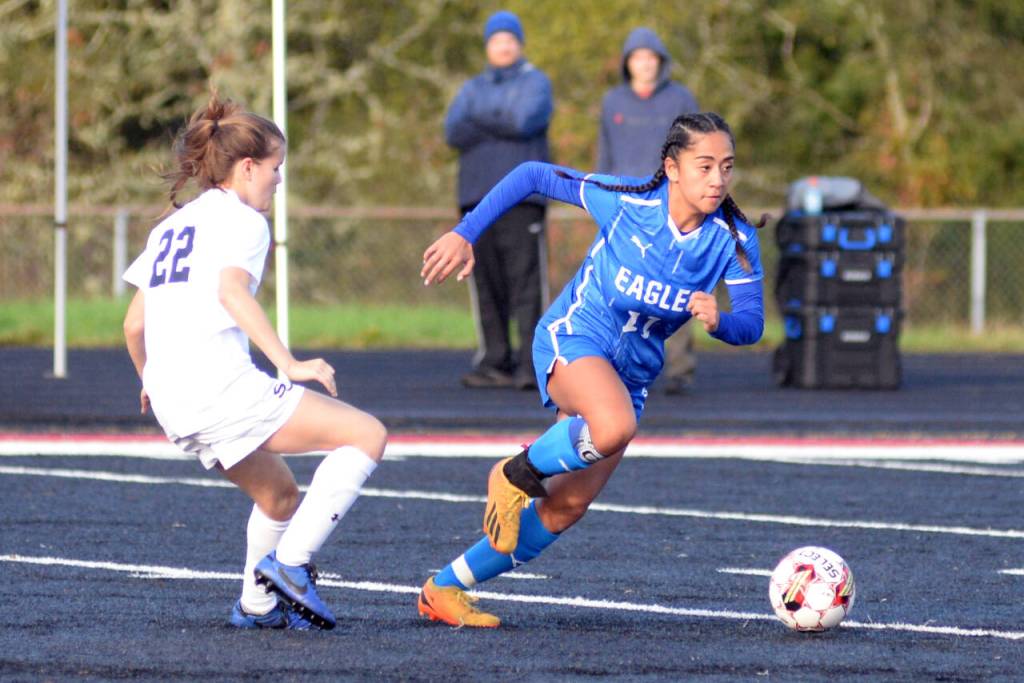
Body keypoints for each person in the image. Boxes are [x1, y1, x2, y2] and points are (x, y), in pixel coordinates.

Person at [417, 112, 764, 627]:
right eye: (704, 165)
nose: (717, 180)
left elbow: (753, 324)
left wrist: (720, 323)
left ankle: (444, 589)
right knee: (614, 426)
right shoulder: (626, 201)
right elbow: (532, 173)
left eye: (727, 167)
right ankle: (514, 472)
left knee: (565, 508)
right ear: (671, 168)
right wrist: (465, 233)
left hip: (633, 375)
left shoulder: (733, 238)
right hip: (574, 337)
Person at [122, 94, 387, 631]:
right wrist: (287, 363)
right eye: (275, 168)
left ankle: (257, 605)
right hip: (217, 389)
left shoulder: (172, 226)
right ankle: (290, 566)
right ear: (247, 168)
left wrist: (150, 379)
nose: (278, 180)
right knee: (367, 435)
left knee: (279, 494)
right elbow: (231, 292)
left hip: (175, 401)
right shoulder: (243, 220)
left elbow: (133, 325)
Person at [444, 9, 553, 390]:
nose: (503, 45)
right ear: (488, 46)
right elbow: (453, 130)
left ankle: (530, 364)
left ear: (519, 44)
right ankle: (495, 361)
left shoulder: (536, 82)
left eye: (509, 39)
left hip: (523, 203)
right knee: (486, 284)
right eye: (496, 40)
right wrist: (499, 115)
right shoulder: (472, 87)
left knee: (526, 286)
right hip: (475, 200)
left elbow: (525, 120)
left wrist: (481, 118)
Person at [598, 27, 701, 395]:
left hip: (674, 204)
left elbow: (698, 151)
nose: (645, 64)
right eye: (637, 57)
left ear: (660, 62)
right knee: (621, 286)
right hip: (627, 207)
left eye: (651, 57)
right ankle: (617, 366)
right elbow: (605, 156)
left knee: (677, 285)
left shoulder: (680, 99)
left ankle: (679, 368)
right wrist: (602, 197)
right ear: (628, 63)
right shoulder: (613, 102)